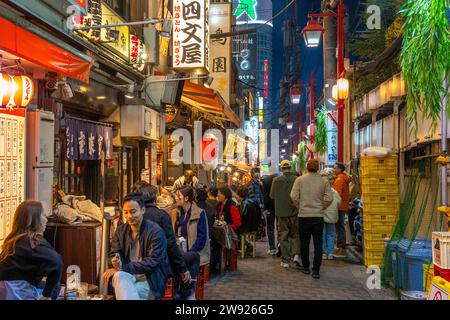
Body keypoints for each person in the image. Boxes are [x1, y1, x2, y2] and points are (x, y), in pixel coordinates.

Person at [133, 182, 197, 300]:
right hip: (160, 266)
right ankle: (185, 294)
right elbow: (171, 245)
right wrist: (183, 269)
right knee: (193, 257)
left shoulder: (132, 216)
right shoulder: (161, 216)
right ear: (154, 198)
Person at [102, 192, 170, 300]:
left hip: (149, 281)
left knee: (126, 291)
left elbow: (152, 262)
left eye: (133, 211)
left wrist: (122, 268)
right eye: (126, 212)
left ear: (143, 210)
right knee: (119, 276)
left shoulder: (156, 232)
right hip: (127, 277)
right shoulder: (120, 231)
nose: (129, 216)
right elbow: (113, 254)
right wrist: (115, 260)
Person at [0, 201, 63, 300]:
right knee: (55, 289)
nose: (46, 220)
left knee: (56, 288)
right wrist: (46, 295)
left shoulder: (14, 240)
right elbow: (57, 262)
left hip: (8, 289)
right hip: (16, 291)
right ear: (34, 219)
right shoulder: (30, 241)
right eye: (43, 216)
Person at [290, 159, 333, 279]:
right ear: (318, 168)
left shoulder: (300, 180)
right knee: (318, 243)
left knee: (304, 242)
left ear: (307, 167)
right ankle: (316, 270)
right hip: (318, 216)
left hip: (304, 215)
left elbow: (293, 196)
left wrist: (300, 205)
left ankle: (305, 267)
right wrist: (321, 206)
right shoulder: (324, 181)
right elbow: (329, 198)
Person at [174, 185, 210, 297]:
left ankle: (187, 294)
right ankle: (184, 293)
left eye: (178, 195)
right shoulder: (178, 213)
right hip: (182, 252)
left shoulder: (199, 213)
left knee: (185, 263)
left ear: (186, 198)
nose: (175, 198)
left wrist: (191, 252)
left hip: (196, 253)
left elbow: (202, 238)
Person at [270, 160, 300, 269]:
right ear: (290, 168)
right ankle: (296, 254)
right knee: (295, 234)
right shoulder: (297, 180)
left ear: (282, 168)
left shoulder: (276, 180)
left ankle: (285, 260)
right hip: (294, 211)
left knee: (283, 235)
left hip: (281, 212)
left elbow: (272, 196)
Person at [319, 169, 341, 260]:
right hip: (332, 215)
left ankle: (324, 253)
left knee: (322, 234)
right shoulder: (334, 192)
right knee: (331, 234)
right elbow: (339, 202)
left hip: (322, 214)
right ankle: (330, 253)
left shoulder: (320, 192)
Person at [333, 162, 350, 257]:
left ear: (339, 169)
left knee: (339, 227)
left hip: (339, 206)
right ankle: (341, 247)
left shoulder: (339, 180)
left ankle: (341, 248)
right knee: (340, 227)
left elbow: (336, 194)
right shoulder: (344, 178)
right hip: (343, 205)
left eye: (335, 168)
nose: (334, 170)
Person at [262, 173, 278, 256]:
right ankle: (280, 247)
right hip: (279, 207)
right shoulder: (280, 179)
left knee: (270, 227)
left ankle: (272, 248)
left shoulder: (266, 181)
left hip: (270, 208)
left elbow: (265, 196)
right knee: (280, 228)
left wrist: (265, 208)